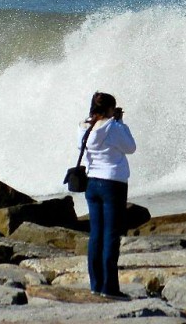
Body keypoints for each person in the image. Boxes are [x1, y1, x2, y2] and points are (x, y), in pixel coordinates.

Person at [79, 92, 136, 299]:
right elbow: (131, 147)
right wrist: (121, 123)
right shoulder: (113, 127)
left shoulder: (84, 126)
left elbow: (81, 148)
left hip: (92, 182)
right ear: (110, 109)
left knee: (96, 235)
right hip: (112, 183)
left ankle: (96, 284)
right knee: (111, 235)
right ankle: (109, 288)